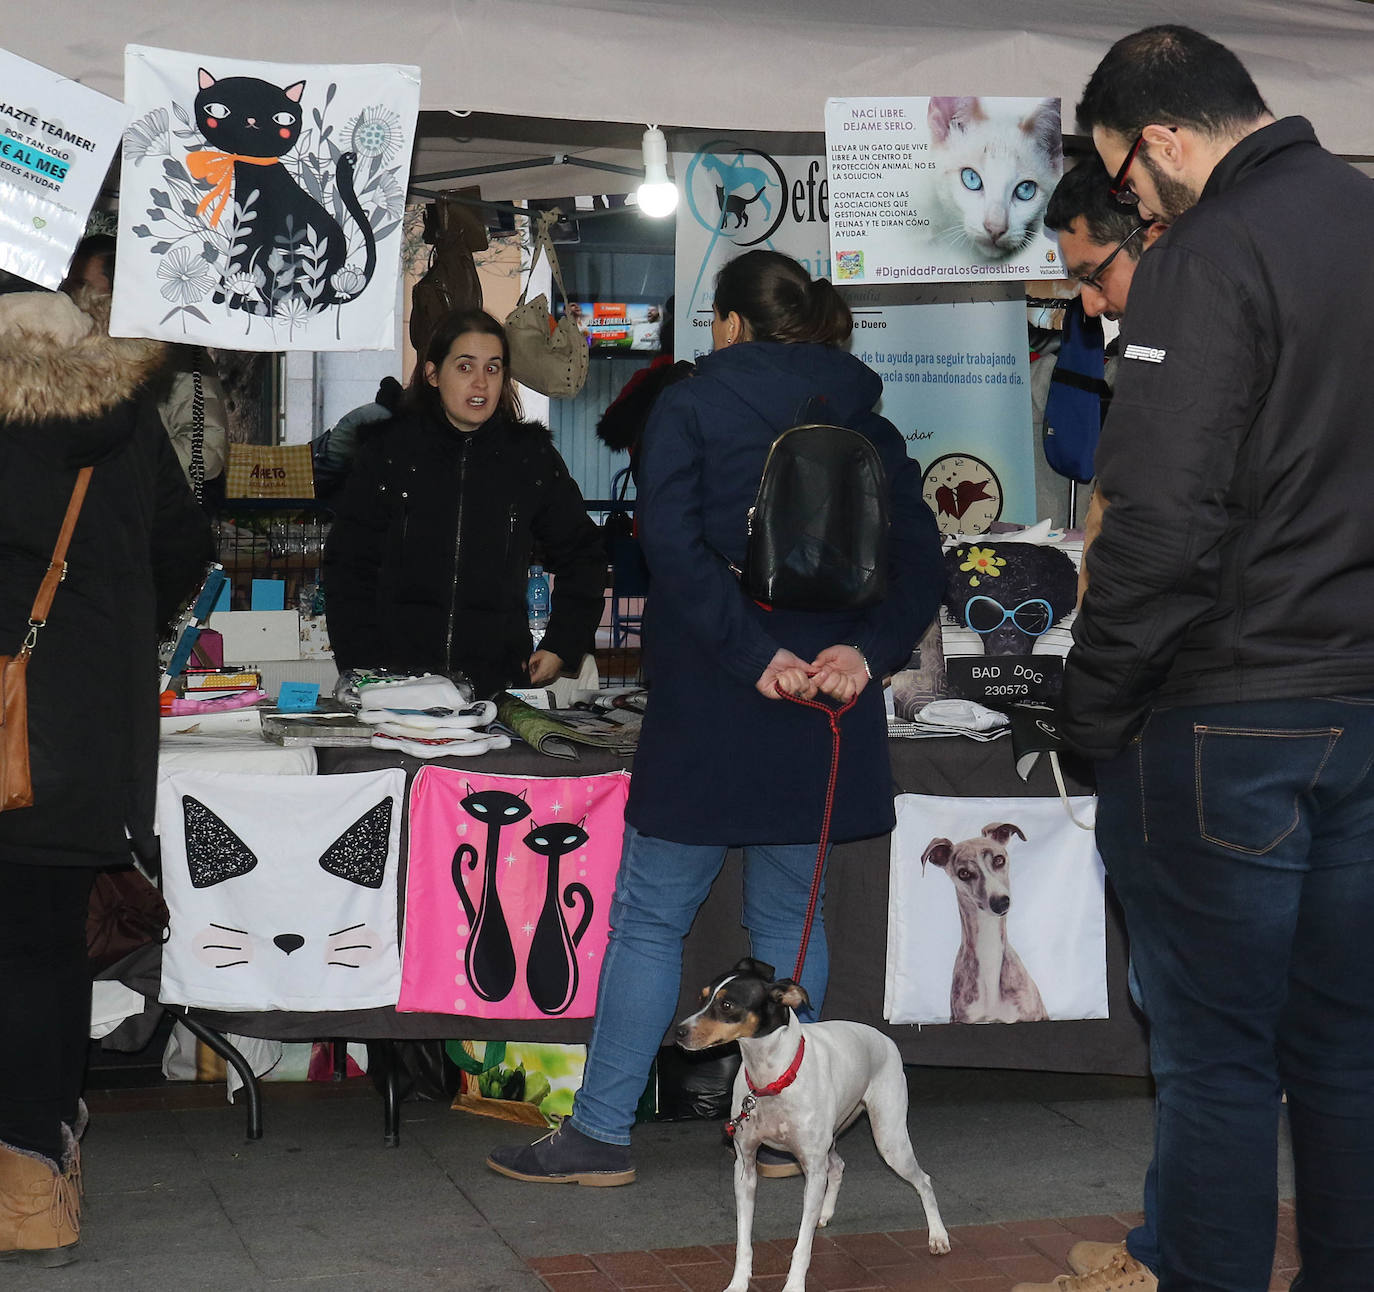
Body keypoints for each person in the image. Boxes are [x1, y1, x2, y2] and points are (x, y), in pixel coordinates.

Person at [486, 250, 945, 1186]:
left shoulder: (690, 405)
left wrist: (756, 656)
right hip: (829, 703)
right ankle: (791, 1140)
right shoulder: (872, 419)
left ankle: (602, 1134)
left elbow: (673, 550)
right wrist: (860, 653)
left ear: (730, 322)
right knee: (786, 918)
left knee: (652, 916)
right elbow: (921, 561)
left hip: (716, 695)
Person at [1062, 26, 1374, 1292]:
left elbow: (1161, 523)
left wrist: (1092, 709)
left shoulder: (1207, 252)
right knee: (1349, 1049)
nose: (1132, 201)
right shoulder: (1364, 217)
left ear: (1167, 138)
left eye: (1126, 179)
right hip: (1362, 707)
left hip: (1227, 716)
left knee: (1219, 1060)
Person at [0, 285, 213, 1264]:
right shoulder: (123, 422)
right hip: (85, 744)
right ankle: (39, 1176)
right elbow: (185, 545)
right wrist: (110, 633)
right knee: (45, 960)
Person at [1013, 160, 1165, 1292]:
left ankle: (1173, 1259)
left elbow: (1147, 533)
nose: (1091, 307)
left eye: (1094, 276)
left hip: (1202, 719)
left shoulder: (1184, 351)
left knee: (1204, 1026)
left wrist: (1095, 701)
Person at [322, 308, 605, 699]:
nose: (480, 382)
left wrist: (562, 644)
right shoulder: (388, 453)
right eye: (465, 366)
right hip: (394, 684)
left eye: (493, 368)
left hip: (496, 686)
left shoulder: (529, 458)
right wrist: (362, 665)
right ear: (433, 374)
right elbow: (347, 567)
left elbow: (584, 555)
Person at [1042, 160, 1167, 611]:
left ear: (1151, 237)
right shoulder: (1145, 352)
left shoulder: (1214, 356)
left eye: (1095, 275)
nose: (1090, 306)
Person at [63, 236, 230, 504]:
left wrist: (123, 470)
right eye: (67, 286)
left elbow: (205, 452)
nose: (70, 296)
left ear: (117, 289)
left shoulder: (175, 354)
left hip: (148, 516)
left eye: (82, 286)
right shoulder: (65, 348)